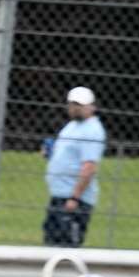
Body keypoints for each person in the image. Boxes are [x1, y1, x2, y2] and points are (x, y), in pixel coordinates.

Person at [43, 87, 106, 247]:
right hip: (59, 195)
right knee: (51, 242)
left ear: (91, 106)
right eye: (72, 104)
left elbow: (89, 167)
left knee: (68, 246)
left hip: (73, 199)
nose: (75, 108)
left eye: (80, 104)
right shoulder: (71, 126)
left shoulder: (92, 130)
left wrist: (75, 198)